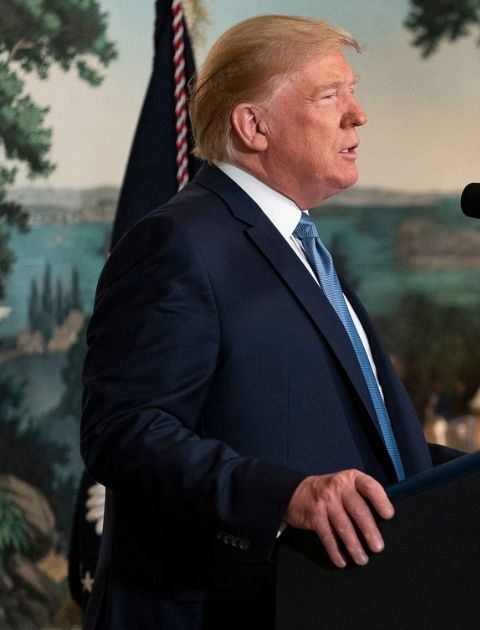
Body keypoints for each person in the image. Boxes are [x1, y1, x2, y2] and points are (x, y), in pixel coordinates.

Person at [80, 16, 459, 629]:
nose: (357, 114)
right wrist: (286, 497)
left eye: (352, 91)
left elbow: (361, 445)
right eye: (329, 95)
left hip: (325, 606)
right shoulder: (178, 241)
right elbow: (125, 433)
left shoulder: (300, 247)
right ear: (253, 125)